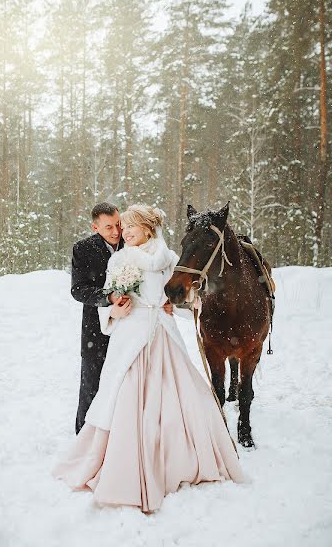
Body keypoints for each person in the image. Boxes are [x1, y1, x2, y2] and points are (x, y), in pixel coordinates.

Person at [54, 204, 245, 513]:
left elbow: (184, 292)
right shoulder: (119, 259)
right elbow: (109, 297)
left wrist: (181, 303)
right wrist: (114, 310)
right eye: (121, 227)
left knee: (180, 395)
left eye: (130, 227)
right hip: (131, 335)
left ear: (147, 229)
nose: (123, 233)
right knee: (126, 396)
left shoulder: (168, 258)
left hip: (163, 333)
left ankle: (181, 457)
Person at [71, 202, 124, 434]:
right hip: (96, 330)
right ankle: (83, 436)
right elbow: (78, 289)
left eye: (119, 224)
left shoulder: (133, 243)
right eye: (109, 227)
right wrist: (108, 297)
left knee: (124, 386)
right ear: (95, 227)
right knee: (92, 385)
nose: (116, 232)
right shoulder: (82, 249)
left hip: (129, 328)